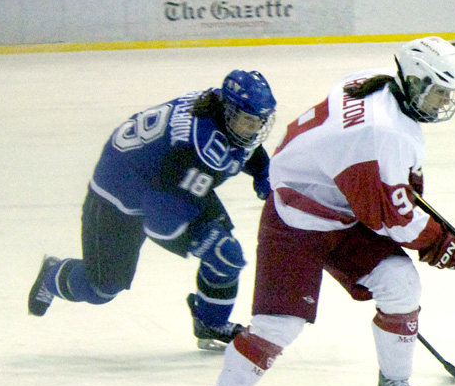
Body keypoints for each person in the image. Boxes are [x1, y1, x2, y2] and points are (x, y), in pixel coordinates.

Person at [187, 36, 455, 386]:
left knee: (399, 283)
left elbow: (382, 194)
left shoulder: (374, 80)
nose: (442, 103)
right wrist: (450, 248)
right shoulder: (381, 134)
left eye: (448, 93)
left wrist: (399, 187)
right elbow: (394, 220)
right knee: (278, 326)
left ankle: (394, 384)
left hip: (340, 203)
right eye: (437, 92)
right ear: (413, 81)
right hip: (296, 218)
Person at [27, 70, 278, 351]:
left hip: (167, 181)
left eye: (259, 121)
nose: (255, 128)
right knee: (101, 289)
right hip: (118, 198)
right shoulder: (195, 147)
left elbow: (237, 146)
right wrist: (196, 239)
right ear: (229, 111)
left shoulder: (216, 108)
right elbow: (163, 217)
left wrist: (262, 172)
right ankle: (52, 274)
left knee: (225, 254)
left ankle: (211, 323)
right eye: (249, 121)